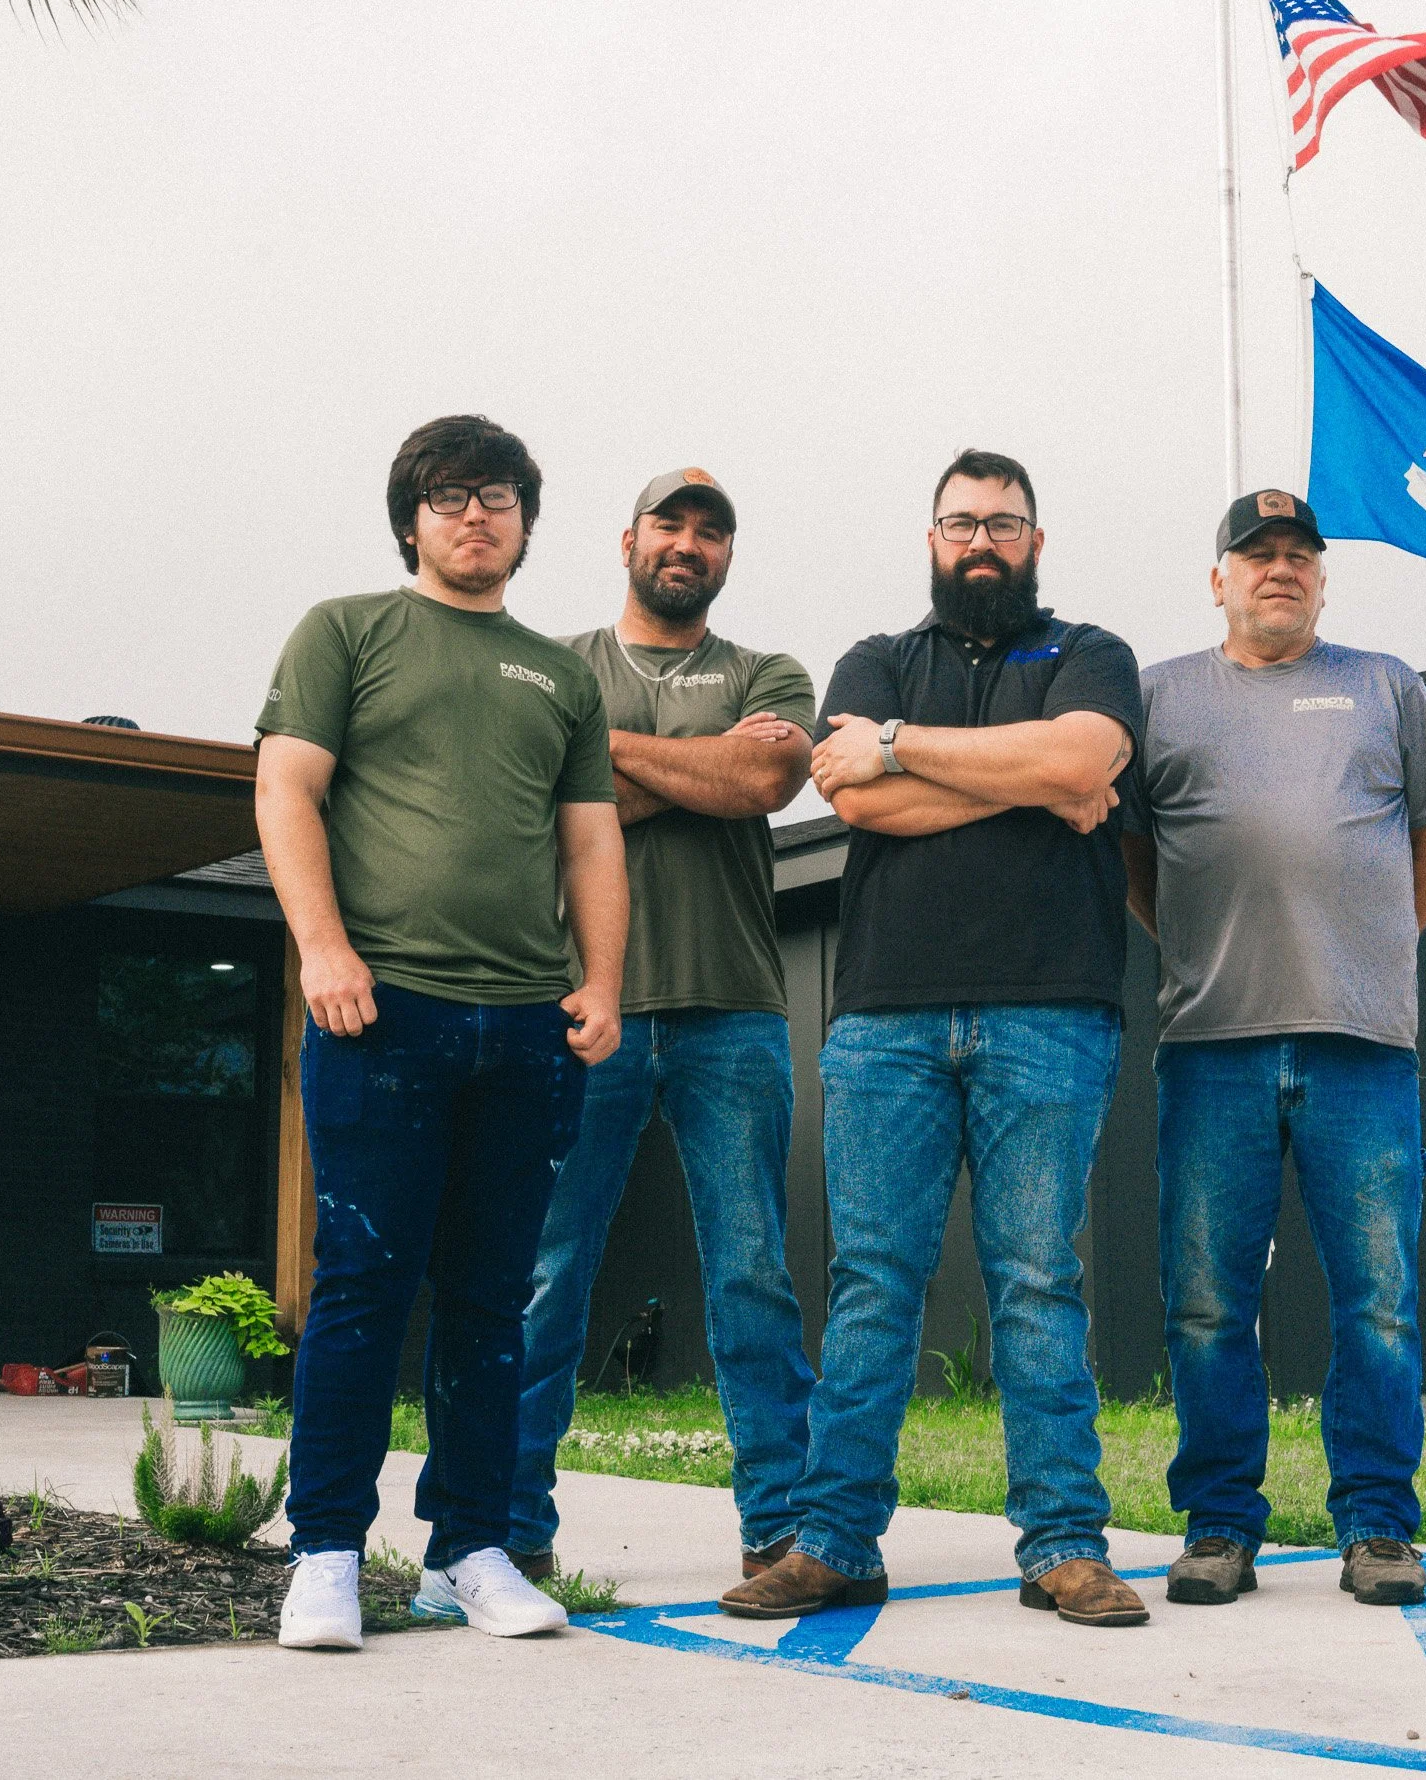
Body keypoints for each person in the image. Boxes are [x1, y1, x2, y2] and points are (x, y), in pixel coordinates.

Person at [719, 448, 1148, 1629]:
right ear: (930, 538)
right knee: (871, 1285)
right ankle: (833, 1542)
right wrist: (1031, 782)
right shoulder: (874, 659)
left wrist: (905, 749)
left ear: (1035, 542)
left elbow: (1078, 756)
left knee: (1035, 1281)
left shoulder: (1090, 654)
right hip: (887, 1020)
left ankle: (1062, 1545)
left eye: (1002, 524)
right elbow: (852, 800)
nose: (980, 541)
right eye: (960, 522)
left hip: (1049, 1011)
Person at [255, 414, 629, 1650]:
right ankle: (323, 1554)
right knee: (363, 1288)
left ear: (526, 519)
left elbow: (588, 839)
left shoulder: (558, 675)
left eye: (502, 496)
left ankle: (469, 1547)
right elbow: (286, 786)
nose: (478, 515)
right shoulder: (346, 630)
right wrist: (322, 949)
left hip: (524, 1029)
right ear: (411, 516)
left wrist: (603, 981)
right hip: (380, 1014)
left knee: (487, 1303)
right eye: (453, 495)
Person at [1124, 488, 1426, 1609]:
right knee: (1207, 1303)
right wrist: (1203, 949)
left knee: (1376, 1298)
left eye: (1297, 556)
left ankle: (1375, 1525)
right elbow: (1135, 860)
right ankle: (1219, 1525)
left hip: (1360, 1049)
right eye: (1254, 553)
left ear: (1322, 577)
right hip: (1210, 1043)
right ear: (1214, 576)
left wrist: (1358, 953)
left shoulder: (1385, 687)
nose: (1278, 569)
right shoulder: (1157, 697)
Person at [508, 467, 819, 1592]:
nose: (687, 543)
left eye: (709, 531)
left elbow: (764, 777)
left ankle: (778, 1526)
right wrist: (704, 766)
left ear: (725, 555)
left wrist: (607, 758)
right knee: (546, 1271)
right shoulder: (552, 666)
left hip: (730, 1008)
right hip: (579, 1007)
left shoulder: (766, 672)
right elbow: (538, 807)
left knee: (752, 1276)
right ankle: (511, 1527)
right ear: (627, 538)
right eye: (669, 524)